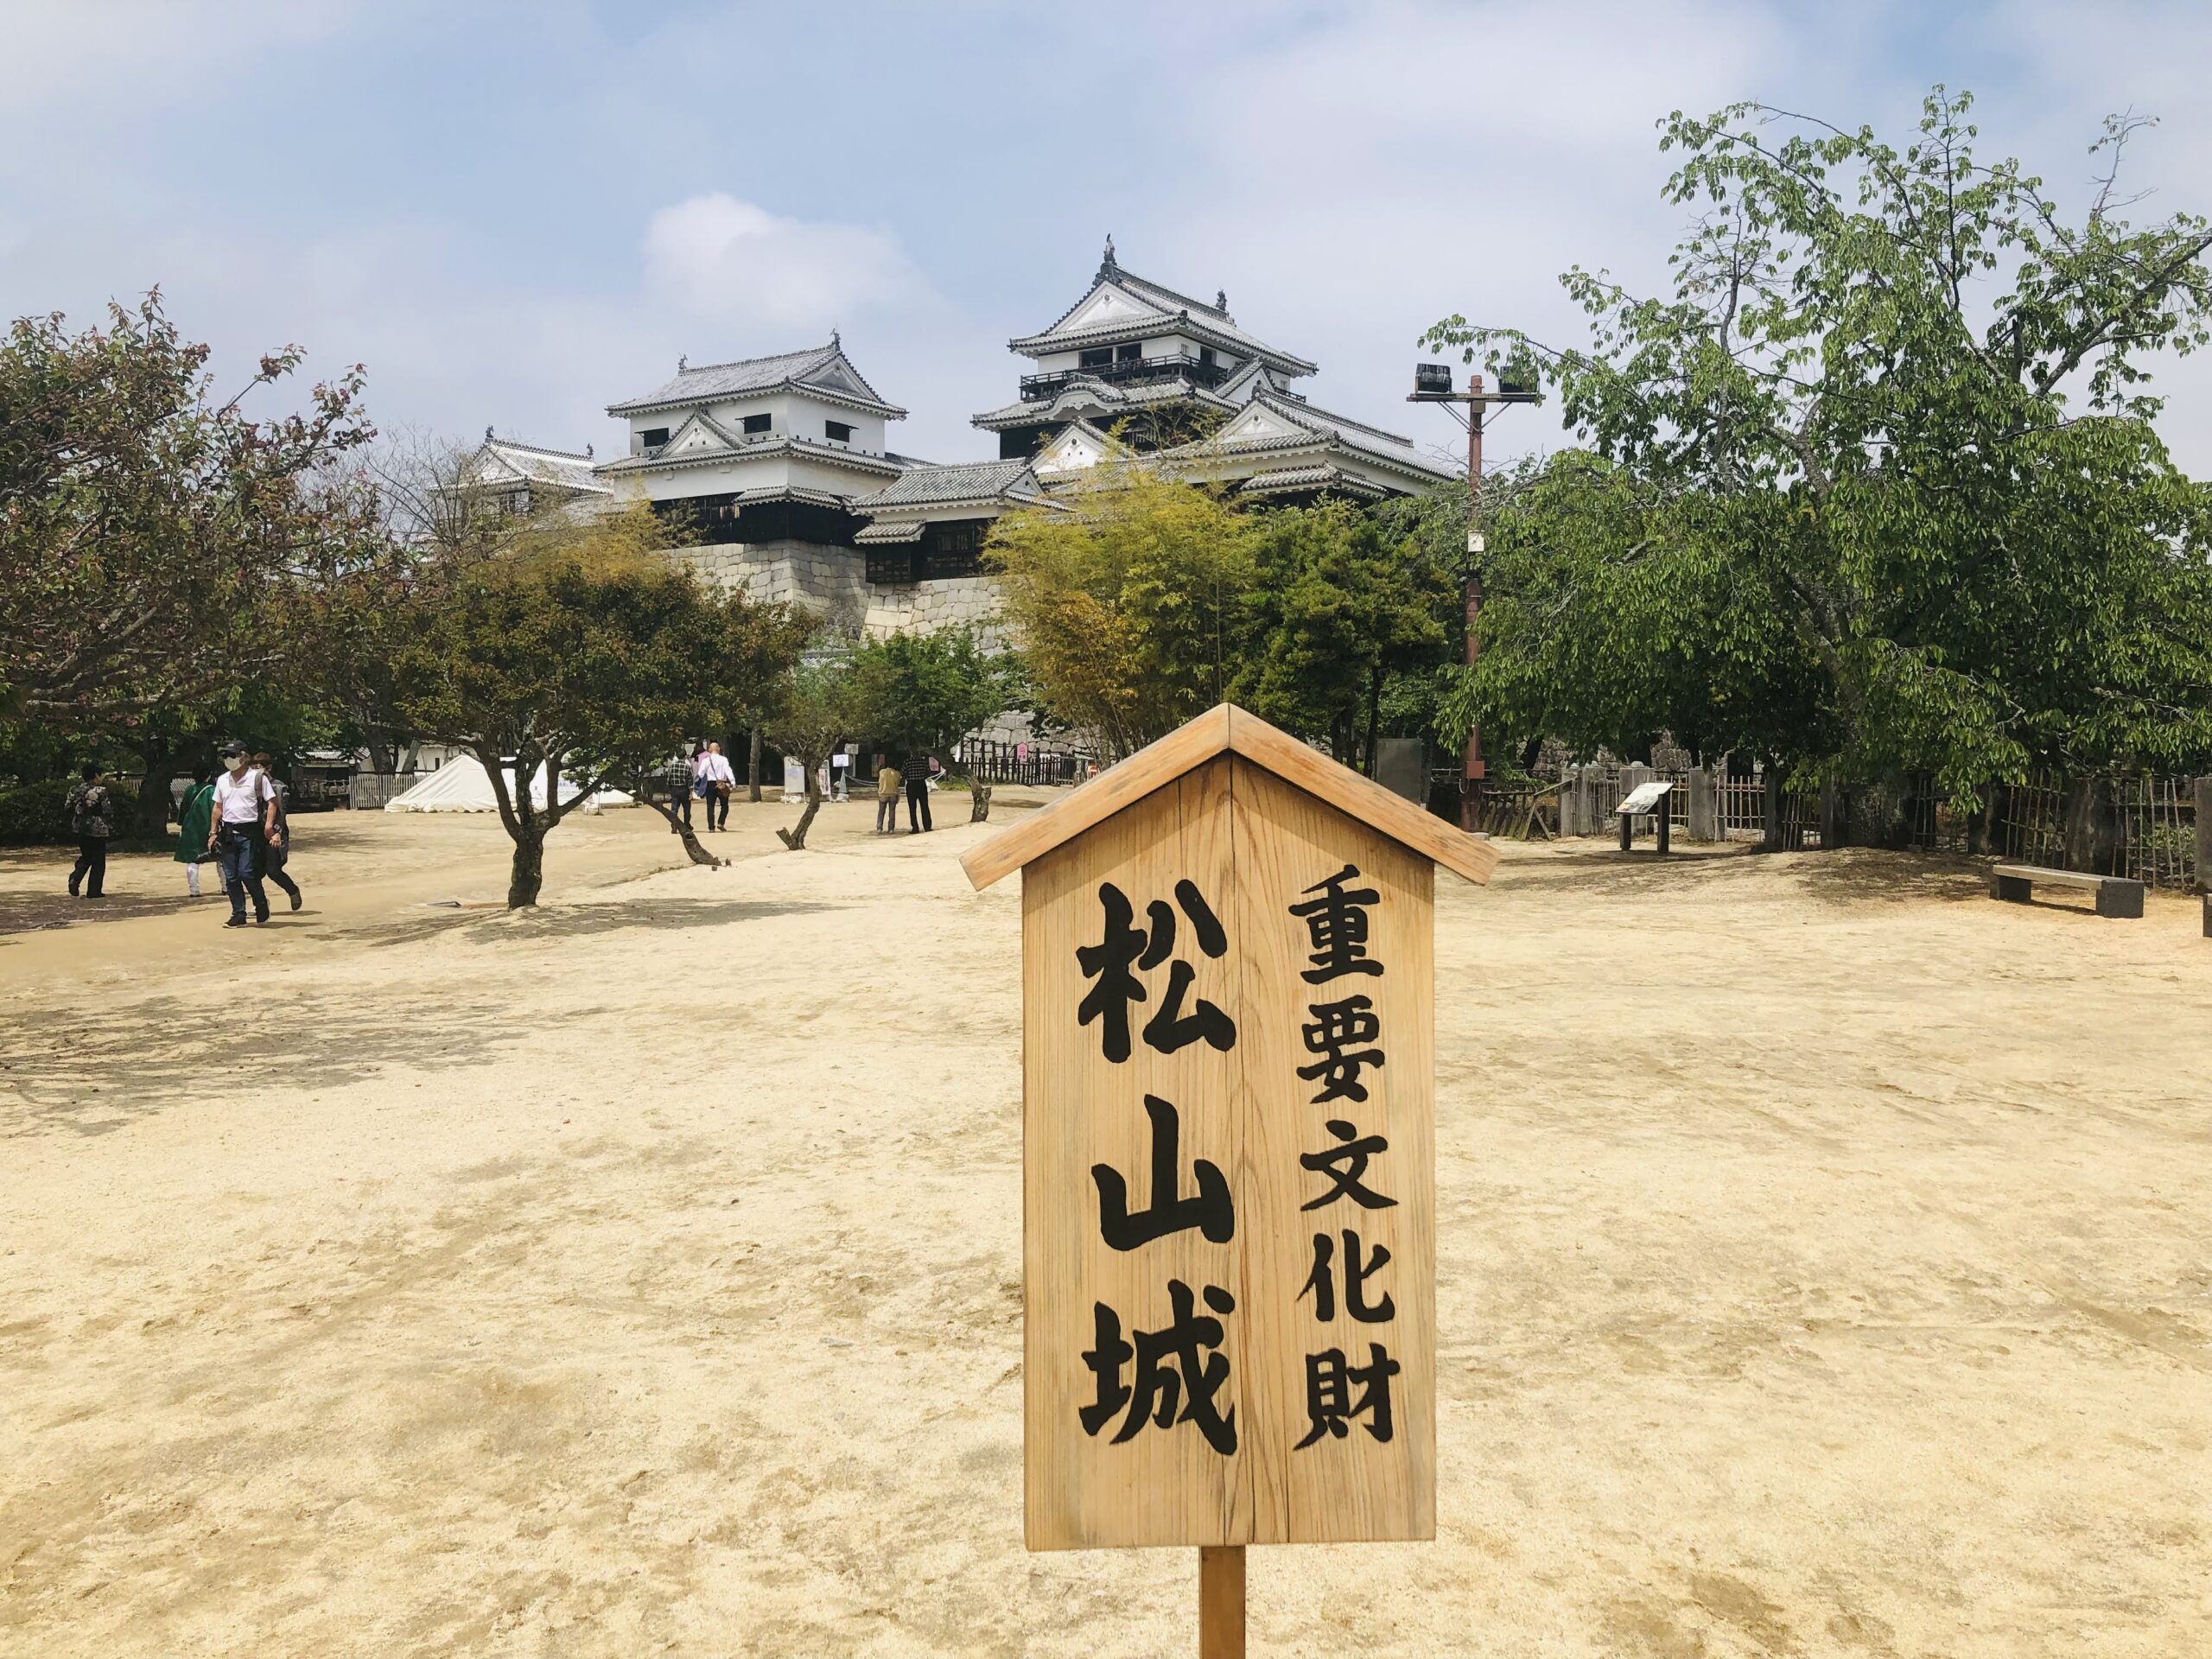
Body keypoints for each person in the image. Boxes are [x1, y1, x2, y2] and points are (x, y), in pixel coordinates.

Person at [207, 741, 275, 927]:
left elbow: (272, 802)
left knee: (246, 872)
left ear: (244, 757)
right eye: (225, 756)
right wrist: (213, 832)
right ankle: (238, 913)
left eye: (232, 755)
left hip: (250, 831)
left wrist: (269, 826)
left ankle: (261, 904)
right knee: (231, 876)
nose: (228, 760)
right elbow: (217, 807)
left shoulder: (257, 778)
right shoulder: (222, 780)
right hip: (228, 833)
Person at [251, 753, 304, 912]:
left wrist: (277, 832)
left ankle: (293, 890)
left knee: (273, 870)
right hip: (256, 833)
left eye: (259, 767)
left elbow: (281, 813)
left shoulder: (278, 787)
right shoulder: (252, 786)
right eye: (253, 767)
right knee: (253, 871)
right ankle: (260, 903)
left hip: (275, 832)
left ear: (269, 768)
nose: (256, 770)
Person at [64, 762, 114, 898]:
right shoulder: (100, 791)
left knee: (86, 856)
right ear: (96, 776)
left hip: (80, 827)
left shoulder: (75, 790)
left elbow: (67, 807)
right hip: (97, 828)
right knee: (99, 861)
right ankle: (94, 891)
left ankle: (76, 877)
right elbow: (108, 810)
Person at [174, 767, 216, 897]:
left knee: (192, 860)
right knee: (220, 858)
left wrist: (181, 823)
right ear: (208, 775)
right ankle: (225, 887)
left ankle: (194, 890)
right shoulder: (212, 790)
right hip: (209, 828)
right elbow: (216, 810)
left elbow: (184, 809)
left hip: (191, 828)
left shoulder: (189, 790)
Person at [701, 740, 736, 831]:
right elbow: (728, 770)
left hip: (710, 784)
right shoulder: (723, 759)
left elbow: (701, 774)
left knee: (710, 806)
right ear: (719, 749)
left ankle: (711, 828)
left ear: (709, 750)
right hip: (722, 784)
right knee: (725, 805)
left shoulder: (705, 760)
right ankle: (721, 822)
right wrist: (733, 782)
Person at [905, 749, 934, 834]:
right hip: (921, 784)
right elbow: (929, 773)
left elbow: (903, 773)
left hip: (911, 785)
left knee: (912, 808)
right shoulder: (923, 761)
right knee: (924, 806)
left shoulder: (907, 762)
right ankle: (927, 826)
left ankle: (915, 827)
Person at [875, 759, 902, 835]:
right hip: (893, 793)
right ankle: (891, 829)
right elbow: (897, 783)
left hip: (883, 793)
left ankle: (879, 828)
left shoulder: (882, 772)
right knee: (892, 812)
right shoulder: (897, 773)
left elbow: (879, 781)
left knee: (881, 812)